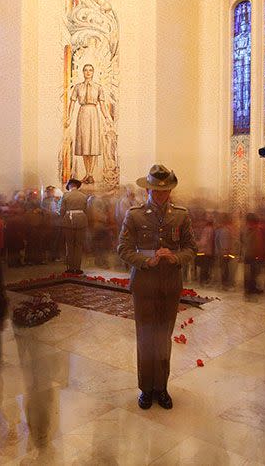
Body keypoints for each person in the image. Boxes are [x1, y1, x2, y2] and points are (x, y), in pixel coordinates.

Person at [117, 165, 196, 410]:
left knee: (163, 337)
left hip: (170, 284)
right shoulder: (135, 215)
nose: (161, 195)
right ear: (148, 189)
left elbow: (190, 248)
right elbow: (123, 249)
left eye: (166, 191)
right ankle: (146, 389)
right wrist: (145, 261)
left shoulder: (181, 215)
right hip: (144, 284)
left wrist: (175, 257)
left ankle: (161, 388)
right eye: (156, 191)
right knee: (145, 337)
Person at [64, 64, 114, 184]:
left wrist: (107, 117)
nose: (88, 72)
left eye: (90, 70)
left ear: (93, 72)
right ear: (83, 72)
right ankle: (88, 174)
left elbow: (102, 104)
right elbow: (72, 103)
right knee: (85, 144)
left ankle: (90, 174)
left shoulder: (98, 87)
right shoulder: (77, 87)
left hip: (93, 113)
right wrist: (69, 117)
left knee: (93, 144)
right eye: (86, 70)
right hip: (83, 113)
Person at [59, 178, 88, 274]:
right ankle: (78, 268)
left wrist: (61, 220)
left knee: (69, 245)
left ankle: (70, 268)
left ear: (69, 186)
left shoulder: (65, 195)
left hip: (68, 221)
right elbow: (86, 210)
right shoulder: (84, 196)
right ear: (77, 186)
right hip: (81, 221)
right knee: (79, 245)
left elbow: (62, 210)